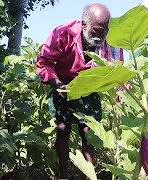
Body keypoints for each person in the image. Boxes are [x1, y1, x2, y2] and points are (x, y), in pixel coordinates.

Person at [35, 3, 124, 179]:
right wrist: (58, 84)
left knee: (89, 131)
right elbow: (43, 62)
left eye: (104, 30)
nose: (100, 36)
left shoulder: (112, 39)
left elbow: (118, 72)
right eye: (96, 30)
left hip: (90, 86)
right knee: (63, 128)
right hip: (64, 85)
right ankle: (63, 175)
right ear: (84, 25)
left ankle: (89, 175)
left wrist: (122, 97)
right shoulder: (63, 33)